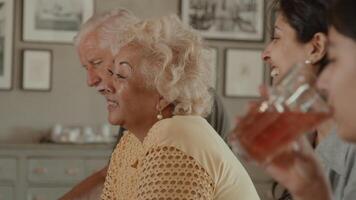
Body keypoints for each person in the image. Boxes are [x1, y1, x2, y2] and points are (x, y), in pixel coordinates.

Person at [65, 8, 259, 200]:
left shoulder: (175, 139)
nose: (106, 85)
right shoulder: (132, 141)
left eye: (120, 75)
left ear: (165, 93)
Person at [230, 0, 356, 199]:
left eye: (276, 37)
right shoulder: (307, 143)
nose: (265, 54)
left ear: (316, 48)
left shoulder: (349, 151)